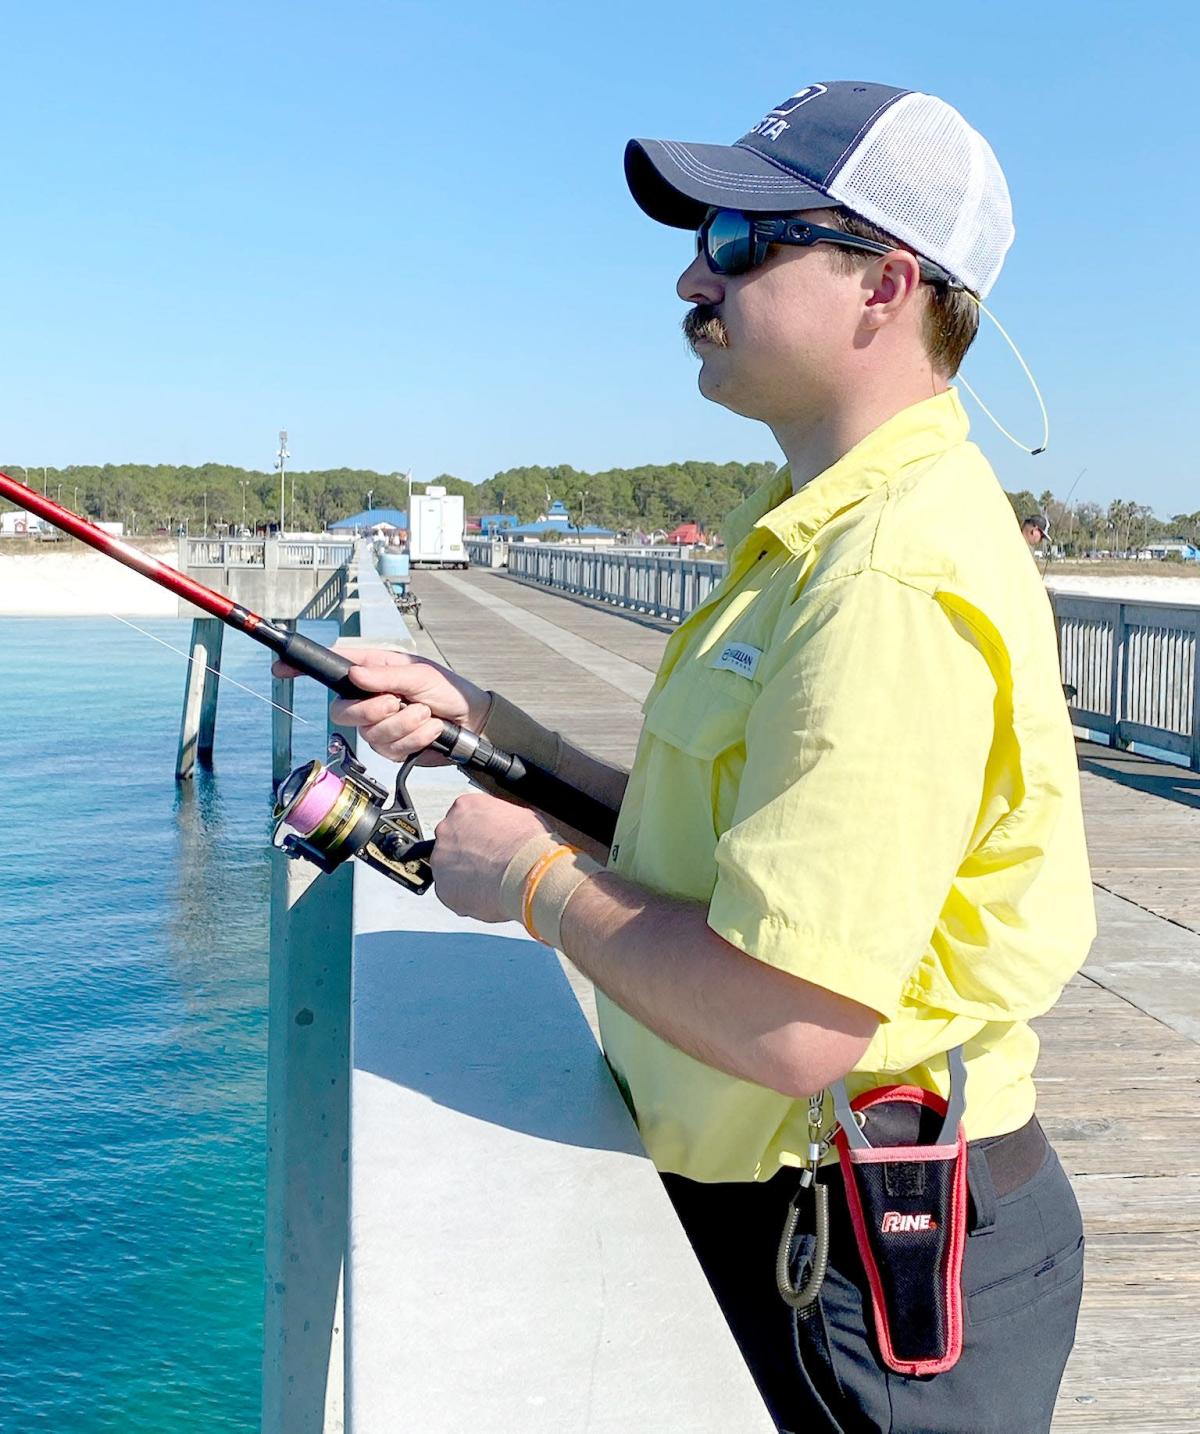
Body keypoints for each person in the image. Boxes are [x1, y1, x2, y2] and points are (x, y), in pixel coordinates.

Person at [291, 81, 1094, 1434]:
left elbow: (793, 1017)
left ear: (884, 283)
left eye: (737, 240)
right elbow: (728, 848)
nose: (689, 273)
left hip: (870, 1277)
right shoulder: (807, 527)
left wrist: (535, 880)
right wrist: (495, 729)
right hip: (795, 1223)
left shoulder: (888, 573)